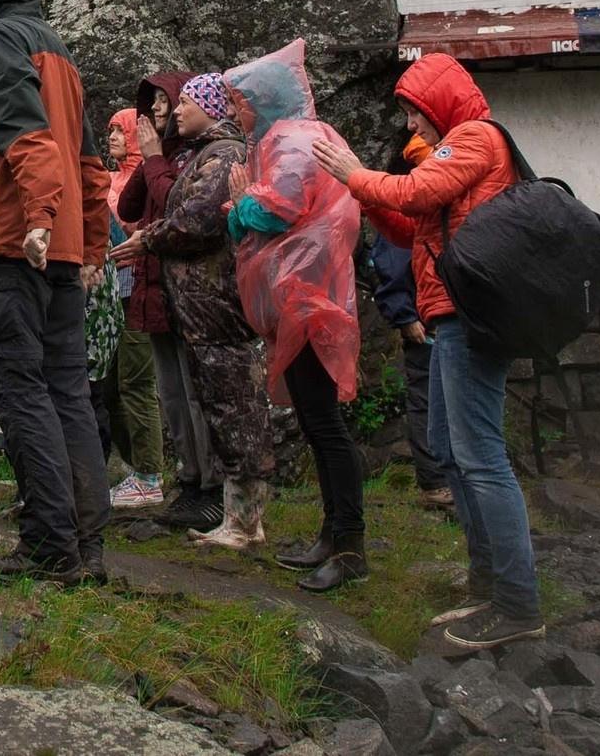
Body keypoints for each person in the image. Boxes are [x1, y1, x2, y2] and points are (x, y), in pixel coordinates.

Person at [312, 53, 545, 650]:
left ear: (439, 103)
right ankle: (487, 586)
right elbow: (413, 225)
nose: (412, 127)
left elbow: (420, 191)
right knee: (448, 446)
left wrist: (353, 172)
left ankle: (516, 604)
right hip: (452, 316)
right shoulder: (463, 146)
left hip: (471, 315)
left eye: (416, 113)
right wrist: (365, 197)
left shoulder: (475, 137)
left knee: (480, 454)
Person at [0, 0, 111, 582]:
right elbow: (91, 166)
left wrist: (38, 219)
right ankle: (87, 550)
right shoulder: (61, 53)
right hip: (64, 250)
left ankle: (49, 547)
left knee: (19, 386)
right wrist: (89, 244)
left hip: (16, 242)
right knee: (68, 391)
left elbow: (28, 139)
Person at [224, 41, 367, 593]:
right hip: (308, 296)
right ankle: (334, 536)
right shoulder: (298, 138)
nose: (236, 111)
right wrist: (242, 210)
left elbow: (275, 208)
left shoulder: (292, 139)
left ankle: (349, 544)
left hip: (308, 299)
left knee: (325, 425)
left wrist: (238, 207)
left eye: (241, 100)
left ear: (264, 98)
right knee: (316, 421)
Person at [116, 72, 277, 549]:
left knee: (235, 410)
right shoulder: (203, 154)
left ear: (211, 104)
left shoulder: (222, 154)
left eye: (187, 101)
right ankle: (240, 519)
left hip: (217, 307)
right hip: (203, 312)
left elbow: (196, 222)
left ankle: (243, 523)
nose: (178, 110)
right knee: (224, 408)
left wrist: (149, 238)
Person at [115, 74, 224, 528]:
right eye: (155, 103)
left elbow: (178, 209)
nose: (161, 110)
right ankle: (189, 481)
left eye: (168, 101)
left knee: (196, 393)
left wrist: (156, 158)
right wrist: (148, 157)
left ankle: (212, 489)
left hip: (191, 291)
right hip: (155, 288)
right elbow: (129, 207)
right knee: (172, 394)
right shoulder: (167, 155)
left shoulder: (203, 157)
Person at [369, 165, 453, 510]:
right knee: (426, 402)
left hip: (442, 320)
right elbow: (391, 264)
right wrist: (404, 316)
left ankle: (450, 477)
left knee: (445, 401)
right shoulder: (410, 205)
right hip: (424, 324)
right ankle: (434, 482)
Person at [100, 108, 170, 509]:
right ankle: (134, 467)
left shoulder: (147, 177)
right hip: (111, 287)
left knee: (136, 381)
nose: (112, 137)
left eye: (119, 131)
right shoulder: (109, 180)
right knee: (110, 385)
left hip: (140, 285)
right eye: (109, 130)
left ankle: (148, 473)